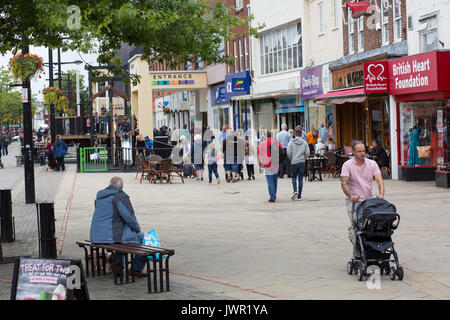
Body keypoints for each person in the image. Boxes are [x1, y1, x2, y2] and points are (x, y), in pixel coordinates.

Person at [90, 177, 147, 277]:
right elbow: (130, 218)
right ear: (122, 186)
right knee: (144, 238)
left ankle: (118, 265)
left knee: (121, 238)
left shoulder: (99, 197)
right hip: (111, 236)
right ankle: (136, 269)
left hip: (96, 236)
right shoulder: (120, 197)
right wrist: (137, 230)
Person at [340, 140, 384, 253]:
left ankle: (371, 251)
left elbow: (379, 181)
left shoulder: (372, 164)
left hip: (368, 201)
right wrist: (350, 195)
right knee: (357, 228)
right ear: (353, 152)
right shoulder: (347, 165)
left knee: (371, 227)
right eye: (359, 151)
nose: (362, 153)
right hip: (354, 202)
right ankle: (359, 253)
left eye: (364, 151)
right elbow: (344, 183)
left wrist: (381, 195)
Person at [258, 131, 283, 202]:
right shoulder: (276, 142)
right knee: (275, 179)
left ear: (266, 136)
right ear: (271, 135)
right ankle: (274, 194)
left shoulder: (262, 143)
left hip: (267, 163)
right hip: (275, 162)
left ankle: (272, 196)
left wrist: (260, 162)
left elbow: (259, 154)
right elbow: (281, 151)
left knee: (270, 181)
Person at [287, 128, 310, 201]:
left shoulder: (291, 142)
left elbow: (289, 152)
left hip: (294, 162)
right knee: (300, 179)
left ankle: (295, 190)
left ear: (295, 134)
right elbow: (307, 152)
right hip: (302, 162)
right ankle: (299, 196)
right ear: (301, 135)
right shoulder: (304, 142)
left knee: (294, 177)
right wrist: (305, 157)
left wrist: (291, 158)